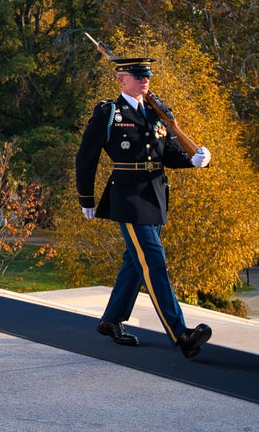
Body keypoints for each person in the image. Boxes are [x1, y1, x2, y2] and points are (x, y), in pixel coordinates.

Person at [74, 57, 213, 359]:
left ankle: (111, 321)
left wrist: (194, 159)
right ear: (121, 80)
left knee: (134, 263)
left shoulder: (155, 113)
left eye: (146, 74)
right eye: (137, 75)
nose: (145, 79)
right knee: (154, 262)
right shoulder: (109, 113)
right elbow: (86, 157)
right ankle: (181, 334)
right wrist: (86, 197)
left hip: (156, 196)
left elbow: (168, 154)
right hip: (128, 198)